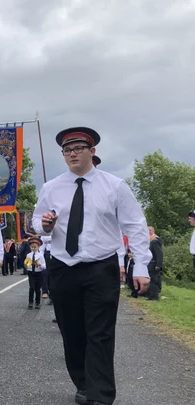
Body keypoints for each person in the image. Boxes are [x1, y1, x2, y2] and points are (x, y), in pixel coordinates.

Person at [32, 126, 151, 405]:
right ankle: (83, 383)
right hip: (63, 265)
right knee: (71, 330)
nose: (72, 154)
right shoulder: (52, 188)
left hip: (101, 266)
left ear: (92, 151)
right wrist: (44, 224)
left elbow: (135, 226)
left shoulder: (114, 186)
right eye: (67, 151)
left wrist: (142, 267)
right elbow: (36, 222)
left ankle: (101, 394)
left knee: (100, 331)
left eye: (78, 149)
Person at [24, 237, 46, 309]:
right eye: (32, 247)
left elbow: (44, 266)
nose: (33, 248)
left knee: (37, 289)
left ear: (38, 247)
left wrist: (39, 264)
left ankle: (37, 303)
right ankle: (30, 302)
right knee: (32, 287)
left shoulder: (40, 256)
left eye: (35, 247)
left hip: (39, 273)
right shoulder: (28, 255)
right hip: (31, 273)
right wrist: (28, 265)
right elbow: (26, 265)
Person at [146, 226, 163, 301]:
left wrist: (158, 264)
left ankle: (154, 296)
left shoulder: (155, 241)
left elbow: (159, 254)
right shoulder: (149, 240)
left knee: (154, 280)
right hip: (150, 263)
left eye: (149, 230)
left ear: (152, 231)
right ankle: (150, 295)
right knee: (151, 279)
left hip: (154, 263)